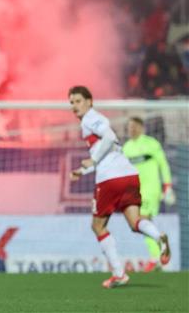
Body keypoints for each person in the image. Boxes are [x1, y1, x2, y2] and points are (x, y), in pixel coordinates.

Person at [68, 86, 170, 288]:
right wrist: (82, 170)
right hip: (129, 176)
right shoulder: (95, 121)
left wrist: (92, 160)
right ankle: (159, 237)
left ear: (89, 101)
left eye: (78, 101)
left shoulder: (90, 118)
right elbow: (110, 149)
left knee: (98, 226)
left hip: (110, 179)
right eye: (71, 102)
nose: (74, 106)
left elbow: (107, 137)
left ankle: (119, 274)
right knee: (135, 222)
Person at [122, 116, 176, 272]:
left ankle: (156, 256)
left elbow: (163, 164)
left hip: (151, 189)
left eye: (134, 126)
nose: (131, 129)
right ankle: (161, 255)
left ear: (141, 128)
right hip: (135, 191)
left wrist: (167, 186)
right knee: (139, 224)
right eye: (129, 127)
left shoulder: (151, 143)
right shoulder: (126, 148)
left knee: (142, 219)